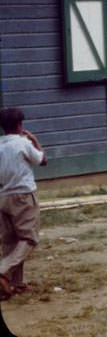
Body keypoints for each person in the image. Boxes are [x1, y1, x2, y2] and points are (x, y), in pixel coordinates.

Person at [0, 108, 47, 299]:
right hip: (23, 195)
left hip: (2, 196)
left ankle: (15, 284)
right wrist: (34, 141)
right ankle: (2, 270)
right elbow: (42, 160)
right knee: (29, 238)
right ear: (20, 125)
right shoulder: (23, 143)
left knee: (10, 241)